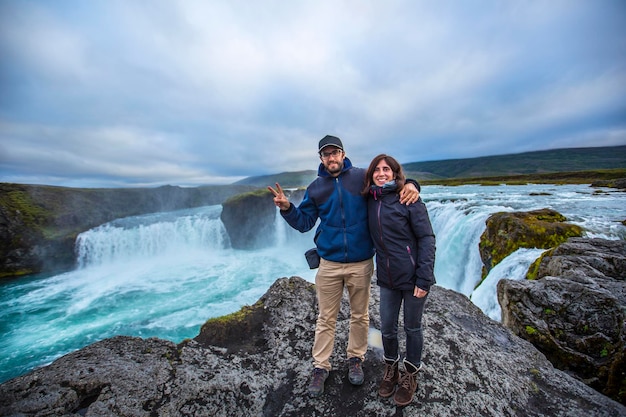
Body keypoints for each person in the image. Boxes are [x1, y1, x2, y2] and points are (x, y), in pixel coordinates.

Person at [267, 135, 420, 398]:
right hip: (329, 264)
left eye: (335, 152)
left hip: (361, 263)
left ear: (343, 153)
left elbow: (389, 183)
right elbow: (304, 223)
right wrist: (287, 208)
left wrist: (414, 184)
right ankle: (320, 367)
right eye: (326, 154)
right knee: (326, 318)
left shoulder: (361, 177)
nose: (331, 157)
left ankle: (355, 359)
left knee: (359, 316)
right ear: (321, 159)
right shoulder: (316, 188)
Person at [362, 154, 436, 406]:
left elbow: (427, 239)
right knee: (387, 327)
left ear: (395, 173)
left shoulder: (409, 199)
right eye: (377, 170)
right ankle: (391, 368)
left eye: (386, 169)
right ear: (371, 174)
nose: (381, 173)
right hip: (387, 277)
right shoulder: (370, 200)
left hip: (413, 276)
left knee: (412, 327)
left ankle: (411, 374)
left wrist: (424, 278)